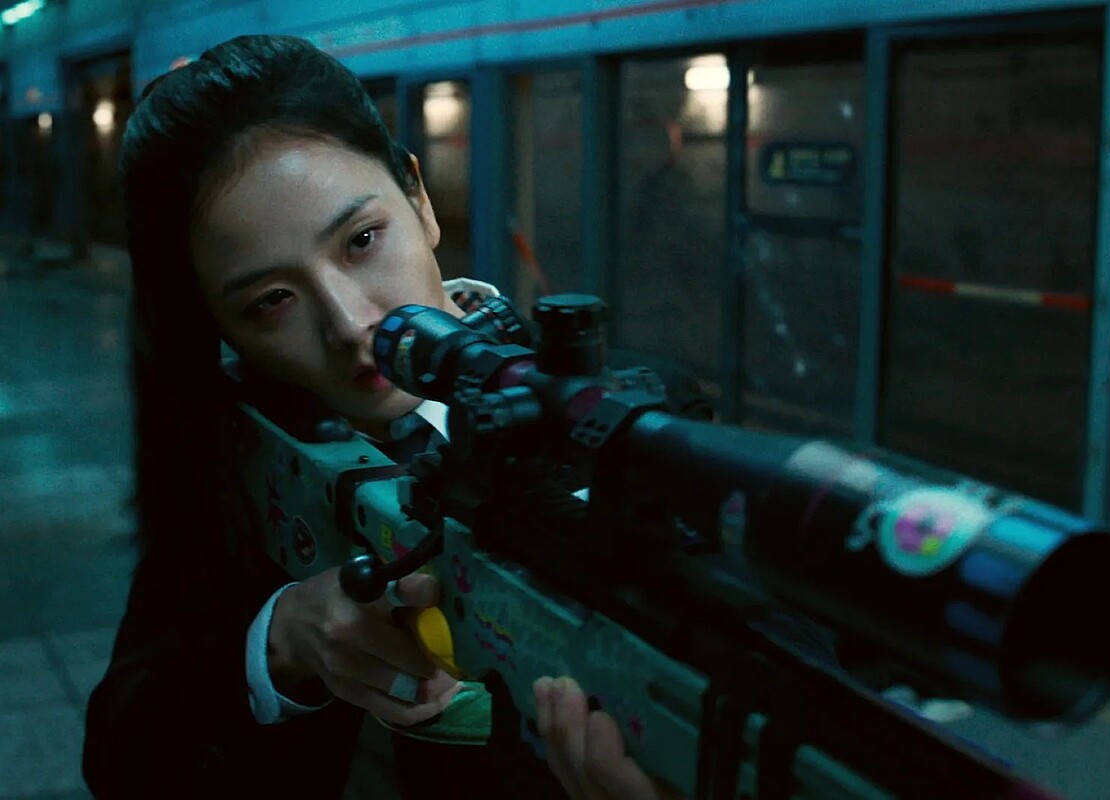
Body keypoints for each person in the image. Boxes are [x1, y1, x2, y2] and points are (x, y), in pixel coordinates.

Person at [82, 33, 720, 799]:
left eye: (361, 241)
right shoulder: (247, 468)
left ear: (419, 198)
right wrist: (284, 641)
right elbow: (124, 758)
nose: (351, 324)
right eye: (272, 301)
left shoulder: (645, 422)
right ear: (220, 327)